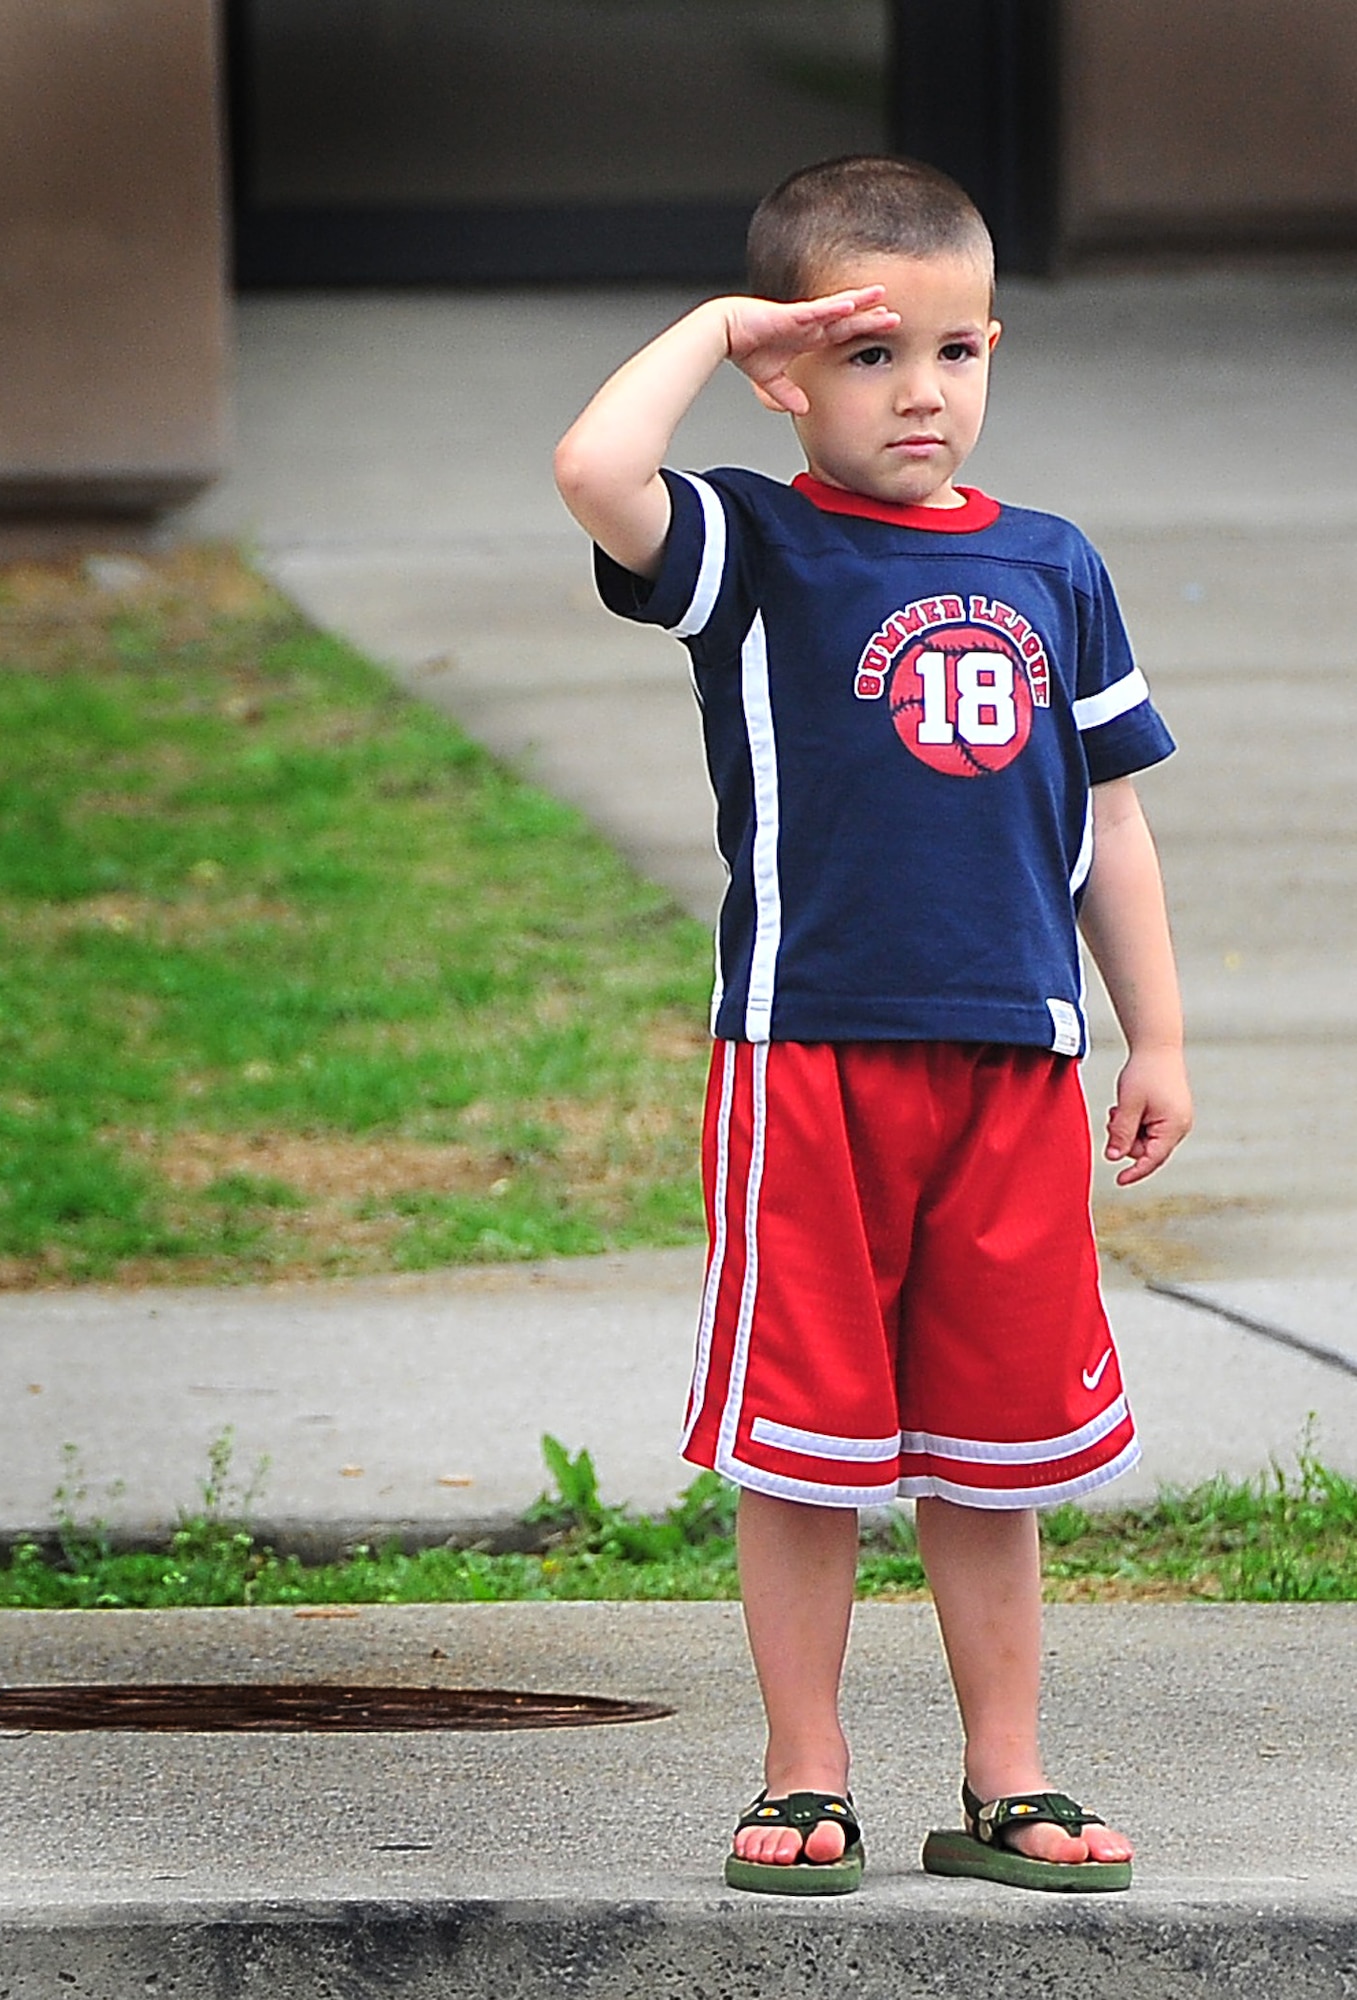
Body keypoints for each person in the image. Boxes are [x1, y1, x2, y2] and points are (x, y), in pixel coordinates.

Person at [553, 154, 1191, 1897]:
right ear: (782, 376)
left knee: (990, 1456)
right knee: (806, 1442)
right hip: (808, 1058)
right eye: (866, 355)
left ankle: (1008, 1778)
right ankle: (806, 1771)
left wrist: (1158, 1040)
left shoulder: (1055, 565)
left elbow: (1109, 827)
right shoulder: (750, 550)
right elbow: (593, 467)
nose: (922, 393)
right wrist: (713, 324)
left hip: (1012, 1065)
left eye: (956, 351)